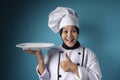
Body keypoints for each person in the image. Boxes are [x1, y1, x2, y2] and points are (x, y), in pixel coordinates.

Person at [24, 7, 102, 80]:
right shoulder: (52, 52)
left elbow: (97, 77)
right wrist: (40, 59)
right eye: (65, 31)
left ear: (78, 32)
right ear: (60, 34)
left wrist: (74, 68)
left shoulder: (89, 54)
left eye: (73, 31)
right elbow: (45, 78)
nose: (69, 35)